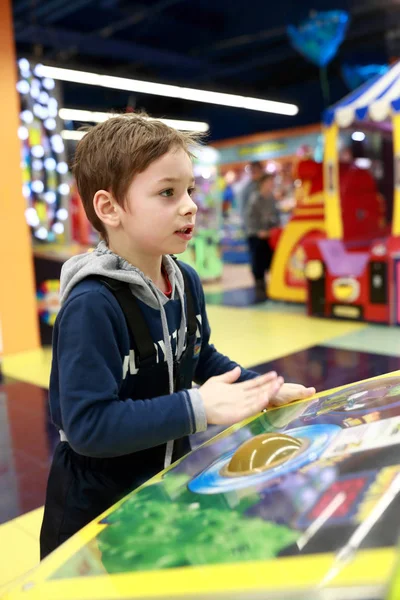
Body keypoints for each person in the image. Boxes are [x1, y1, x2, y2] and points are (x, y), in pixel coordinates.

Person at [39, 114, 315, 559]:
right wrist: (199, 407)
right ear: (109, 208)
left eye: (187, 190)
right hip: (96, 510)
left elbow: (199, 356)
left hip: (164, 485)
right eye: (167, 193)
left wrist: (262, 388)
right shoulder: (92, 304)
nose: (189, 205)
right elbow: (88, 426)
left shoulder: (184, 279)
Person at [245, 173, 280, 300]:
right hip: (256, 235)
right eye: (269, 182)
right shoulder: (255, 198)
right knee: (258, 261)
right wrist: (258, 231)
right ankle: (259, 286)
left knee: (270, 260)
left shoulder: (272, 199)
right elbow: (250, 218)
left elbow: (276, 216)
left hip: (269, 235)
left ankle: (269, 286)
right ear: (262, 184)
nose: (271, 185)